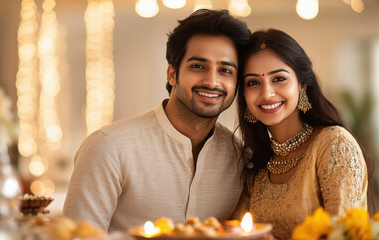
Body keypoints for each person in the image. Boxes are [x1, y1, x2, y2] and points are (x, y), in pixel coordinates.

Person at [63, 9, 251, 232]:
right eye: (198, 66)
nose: (212, 81)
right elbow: (77, 237)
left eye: (225, 70)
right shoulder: (108, 147)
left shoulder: (239, 156)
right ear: (172, 74)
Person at [233, 29, 373, 240]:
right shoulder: (258, 164)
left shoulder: (334, 144)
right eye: (253, 82)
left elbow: (345, 235)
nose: (267, 93)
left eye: (279, 78)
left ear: (302, 85)